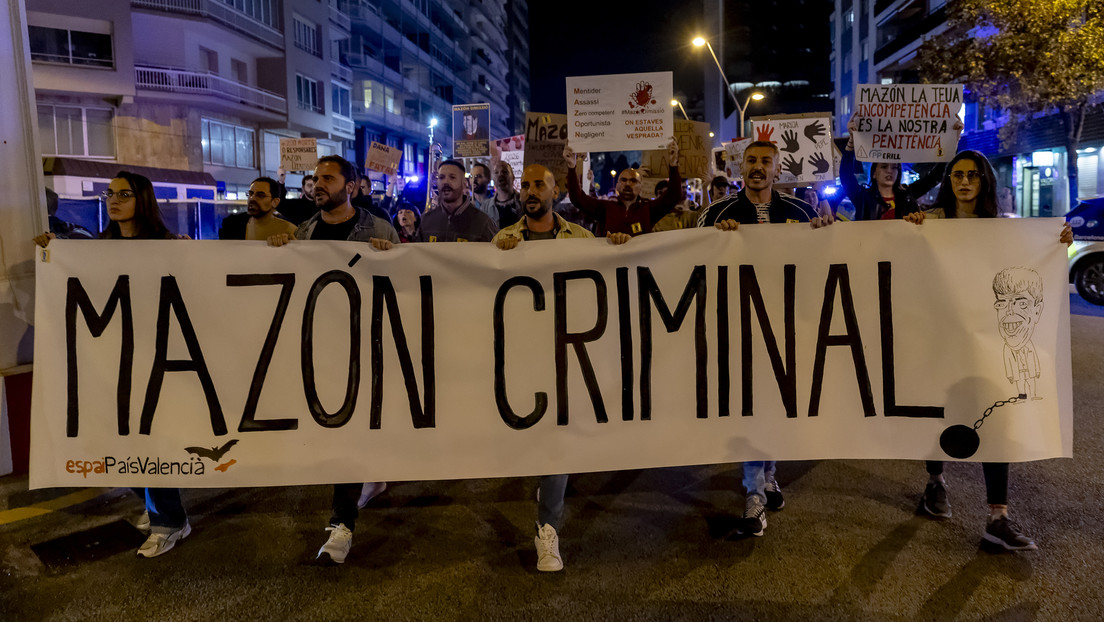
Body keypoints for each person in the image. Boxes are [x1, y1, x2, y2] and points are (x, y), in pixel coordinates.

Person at [905, 149, 1074, 551]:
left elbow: (1030, 267)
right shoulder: (930, 223)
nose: (964, 181)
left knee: (994, 417)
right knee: (940, 412)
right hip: (939, 337)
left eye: (973, 175)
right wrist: (908, 229)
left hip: (985, 341)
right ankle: (935, 483)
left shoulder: (1002, 230)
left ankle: (998, 515)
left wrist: (1058, 243)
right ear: (948, 182)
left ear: (985, 182)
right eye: (957, 175)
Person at [34, 171, 191, 558]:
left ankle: (168, 522)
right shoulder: (98, 246)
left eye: (124, 194)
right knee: (119, 445)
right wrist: (53, 251)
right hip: (113, 363)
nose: (114, 200)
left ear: (143, 200)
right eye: (110, 194)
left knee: (153, 443)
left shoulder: (167, 245)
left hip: (157, 360)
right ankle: (159, 506)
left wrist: (191, 255)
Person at [492, 163, 630, 572]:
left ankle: (547, 528)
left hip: (565, 355)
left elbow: (602, 279)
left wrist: (618, 245)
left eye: (540, 185)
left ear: (555, 192)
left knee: (555, 441)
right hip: (519, 357)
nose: (531, 191)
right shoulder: (503, 240)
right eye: (526, 185)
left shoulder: (581, 238)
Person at [266, 155, 399, 564]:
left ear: (352, 186)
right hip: (318, 346)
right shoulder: (304, 231)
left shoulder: (377, 229)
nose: (318, 184)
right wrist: (280, 251)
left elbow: (404, 285)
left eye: (328, 178)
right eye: (315, 178)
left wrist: (389, 255)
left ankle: (342, 525)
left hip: (364, 345)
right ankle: (361, 489)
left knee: (348, 432)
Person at [696, 140, 830, 538]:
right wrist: (716, 242)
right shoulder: (716, 214)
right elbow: (691, 264)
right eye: (751, 161)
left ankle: (769, 474)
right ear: (740, 167)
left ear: (777, 169)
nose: (757, 167)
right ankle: (753, 494)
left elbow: (823, 260)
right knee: (751, 407)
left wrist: (825, 233)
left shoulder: (802, 212)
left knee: (779, 405)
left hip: (789, 327)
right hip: (739, 327)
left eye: (765, 162)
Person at [840, 116, 956, 221]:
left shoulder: (908, 196)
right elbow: (846, 176)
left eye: (895, 167)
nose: (890, 170)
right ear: (874, 173)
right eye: (884, 166)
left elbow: (934, 177)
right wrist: (852, 141)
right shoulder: (863, 197)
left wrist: (952, 140)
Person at [563, 138, 682, 236]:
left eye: (633, 181)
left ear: (640, 187)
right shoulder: (606, 208)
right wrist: (571, 166)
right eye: (623, 180)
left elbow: (674, 195)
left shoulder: (648, 210)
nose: (628, 184)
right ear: (618, 186)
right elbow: (577, 198)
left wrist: (673, 164)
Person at [417, 160, 499, 243]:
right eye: (441, 177)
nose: (446, 182)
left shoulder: (483, 223)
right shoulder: (426, 221)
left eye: (452, 177)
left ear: (464, 183)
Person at [218, 177, 297, 240]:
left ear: (275, 202)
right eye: (250, 194)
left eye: (260, 195)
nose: (252, 198)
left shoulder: (288, 230)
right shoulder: (232, 225)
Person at [478, 161, 522, 229]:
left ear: (513, 177)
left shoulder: (523, 202)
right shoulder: (485, 208)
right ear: (493, 179)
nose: (500, 175)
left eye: (505, 172)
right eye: (496, 172)